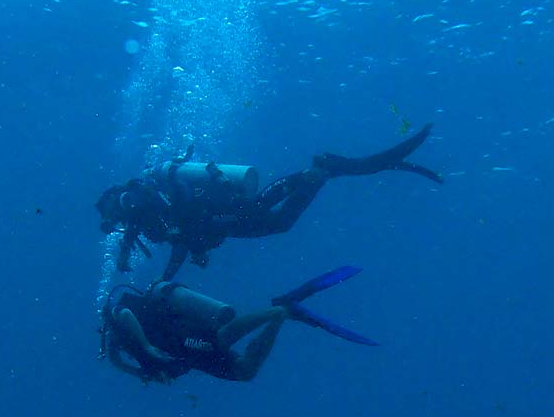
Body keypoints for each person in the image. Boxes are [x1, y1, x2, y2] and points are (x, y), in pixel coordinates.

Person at [96, 123, 442, 280]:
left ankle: (318, 171)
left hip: (214, 209)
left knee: (262, 209)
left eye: (112, 214)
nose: (115, 221)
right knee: (279, 223)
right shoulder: (138, 214)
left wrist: (167, 274)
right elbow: (180, 235)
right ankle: (320, 173)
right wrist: (187, 256)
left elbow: (174, 220)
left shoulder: (135, 201)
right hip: (213, 221)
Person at [102, 267, 376, 385]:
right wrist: (141, 375)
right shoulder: (115, 345)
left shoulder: (114, 319)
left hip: (178, 333)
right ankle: (281, 314)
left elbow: (125, 314)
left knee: (220, 338)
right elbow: (115, 360)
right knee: (245, 372)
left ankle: (275, 309)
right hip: (187, 354)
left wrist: (148, 347)